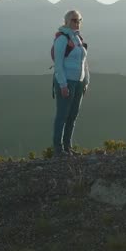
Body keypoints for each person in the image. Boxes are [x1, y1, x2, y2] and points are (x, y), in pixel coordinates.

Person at [52, 9, 90, 156]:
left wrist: (86, 80)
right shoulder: (62, 38)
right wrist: (62, 85)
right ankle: (58, 149)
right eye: (74, 20)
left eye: (79, 20)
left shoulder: (78, 38)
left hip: (79, 82)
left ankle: (68, 147)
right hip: (67, 81)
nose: (77, 23)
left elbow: (84, 62)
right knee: (62, 115)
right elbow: (58, 64)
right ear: (66, 22)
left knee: (72, 115)